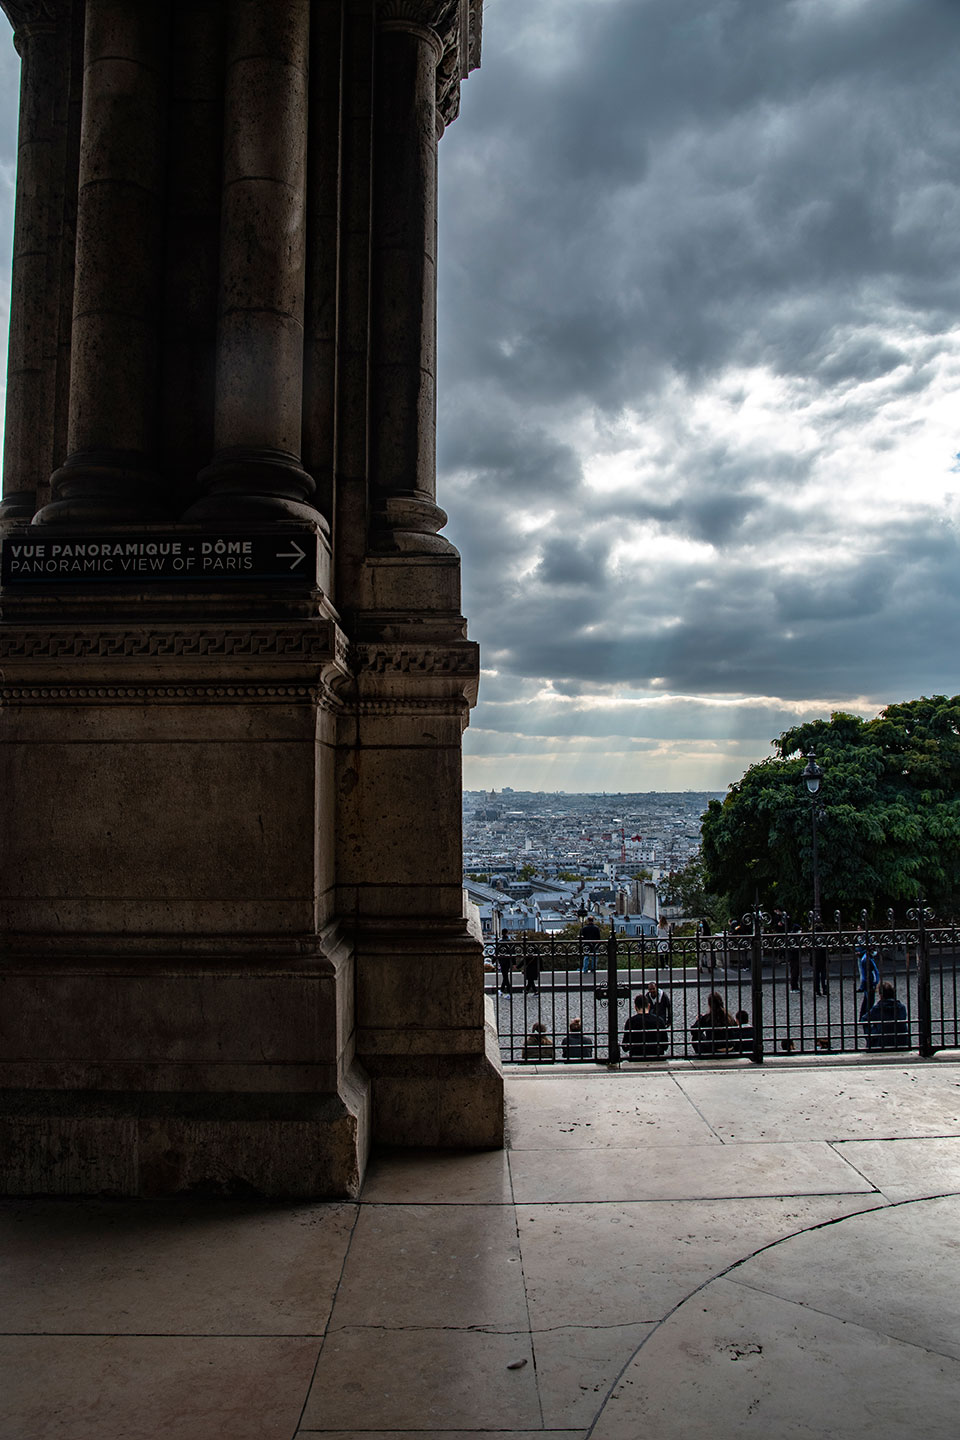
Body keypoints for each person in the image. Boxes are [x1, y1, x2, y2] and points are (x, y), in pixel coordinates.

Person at [862, 982, 909, 1050]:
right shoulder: (901, 1008)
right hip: (901, 1042)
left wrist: (870, 1034)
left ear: (881, 995)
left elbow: (864, 1019)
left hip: (881, 1043)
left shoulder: (877, 1009)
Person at [690, 991, 738, 1057]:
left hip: (714, 1050)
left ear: (709, 1004)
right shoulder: (728, 1017)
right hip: (730, 1049)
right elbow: (736, 1029)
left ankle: (700, 1056)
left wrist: (699, 1020)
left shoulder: (708, 1018)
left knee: (696, 1037)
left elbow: (693, 1031)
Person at [622, 994, 668, 1059]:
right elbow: (665, 1045)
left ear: (635, 1007)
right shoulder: (659, 1020)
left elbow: (625, 1046)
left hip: (636, 1056)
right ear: (649, 1006)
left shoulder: (631, 1021)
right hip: (656, 1056)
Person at [855, 930, 880, 1019]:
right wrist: (873, 983)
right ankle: (866, 1018)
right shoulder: (867, 959)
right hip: (870, 983)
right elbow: (870, 973)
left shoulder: (867, 958)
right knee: (869, 1002)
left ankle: (863, 1017)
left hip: (869, 983)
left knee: (866, 1001)